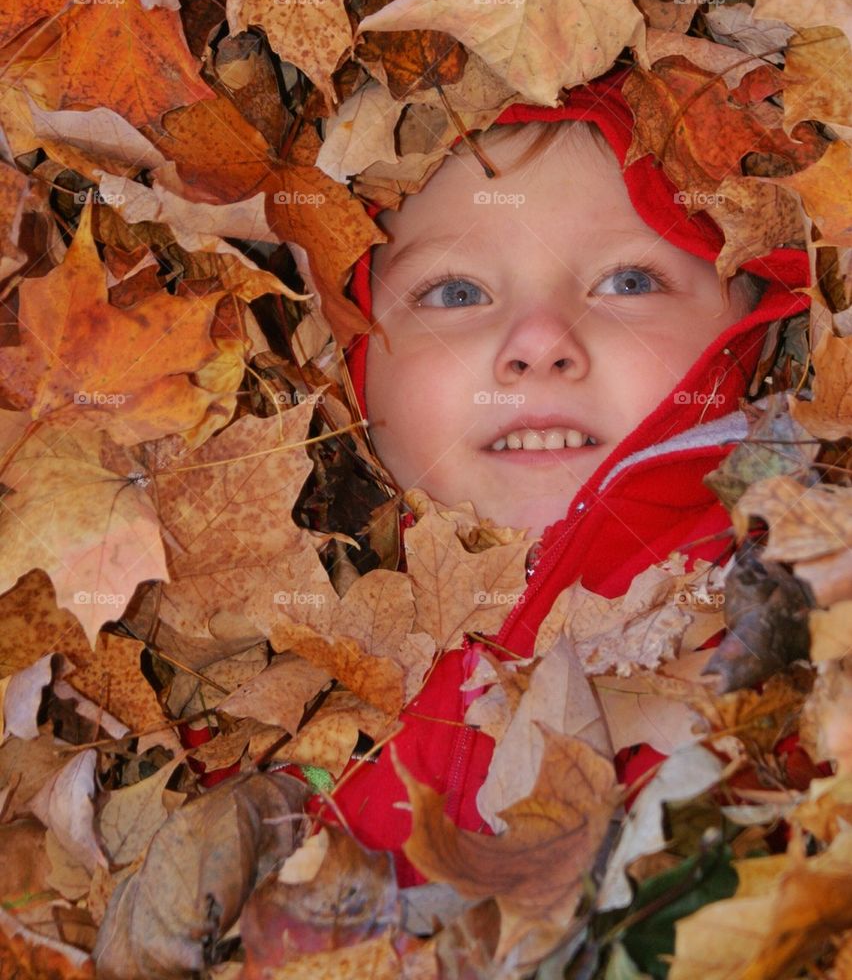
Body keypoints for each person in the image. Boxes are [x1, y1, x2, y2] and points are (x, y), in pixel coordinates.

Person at [326, 69, 814, 886]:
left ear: (752, 334)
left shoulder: (799, 636)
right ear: (349, 367)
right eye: (454, 291)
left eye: (628, 282)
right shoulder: (248, 675)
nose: (540, 339)